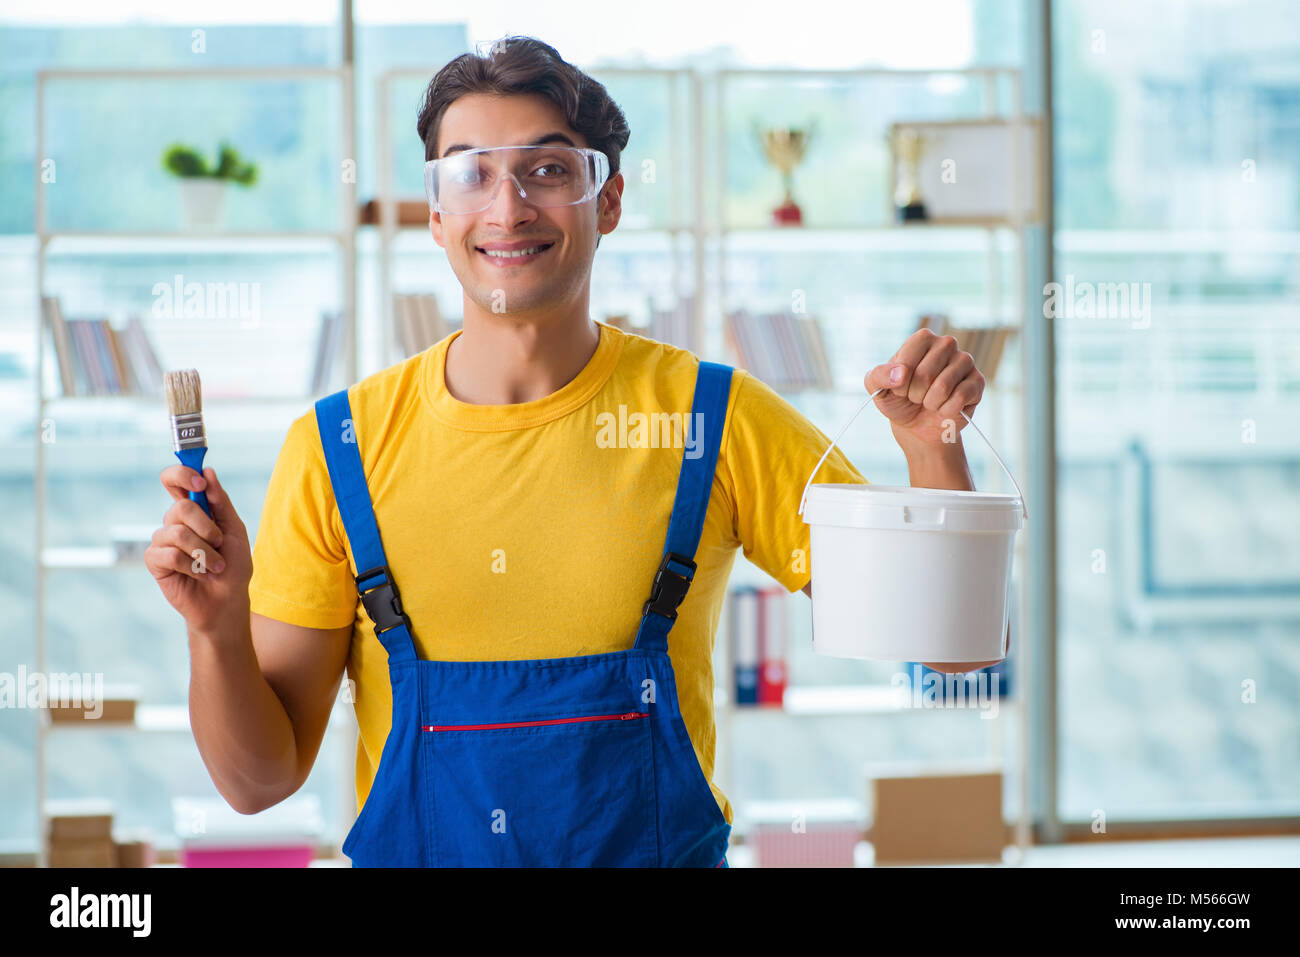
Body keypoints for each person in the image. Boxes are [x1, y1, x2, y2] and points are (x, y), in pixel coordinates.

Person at [147, 35, 995, 867]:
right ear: (437, 216)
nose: (507, 206)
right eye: (471, 172)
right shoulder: (338, 449)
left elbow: (948, 648)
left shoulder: (716, 420)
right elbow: (256, 783)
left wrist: (935, 450)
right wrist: (217, 633)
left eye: (548, 170)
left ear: (611, 200)